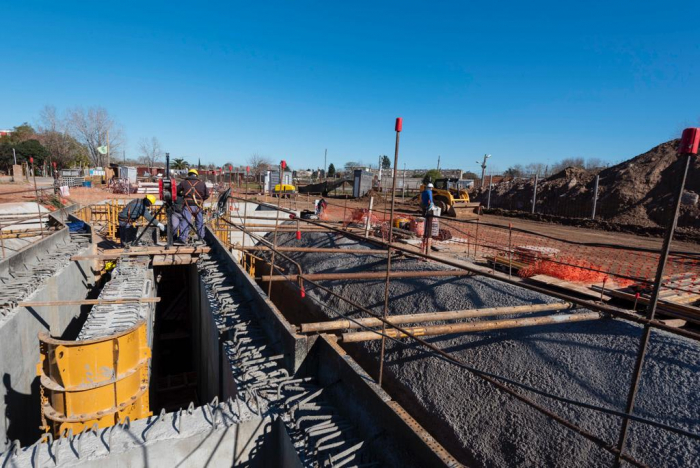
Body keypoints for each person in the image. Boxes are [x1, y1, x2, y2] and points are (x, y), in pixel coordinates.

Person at [177, 169, 209, 243]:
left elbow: (176, 191)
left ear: (189, 175)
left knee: (185, 221)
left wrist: (182, 195)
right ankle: (201, 237)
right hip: (198, 205)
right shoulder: (202, 183)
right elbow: (207, 195)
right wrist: (201, 200)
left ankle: (182, 238)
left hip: (187, 205)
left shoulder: (184, 183)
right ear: (196, 175)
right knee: (199, 222)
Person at [421, 183, 435, 254]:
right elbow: (430, 199)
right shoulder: (429, 192)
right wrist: (431, 204)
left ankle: (422, 231)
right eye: (431, 188)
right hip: (428, 207)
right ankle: (428, 235)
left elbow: (422, 199)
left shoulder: (423, 192)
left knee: (423, 219)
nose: (432, 189)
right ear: (430, 188)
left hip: (423, 205)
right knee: (429, 221)